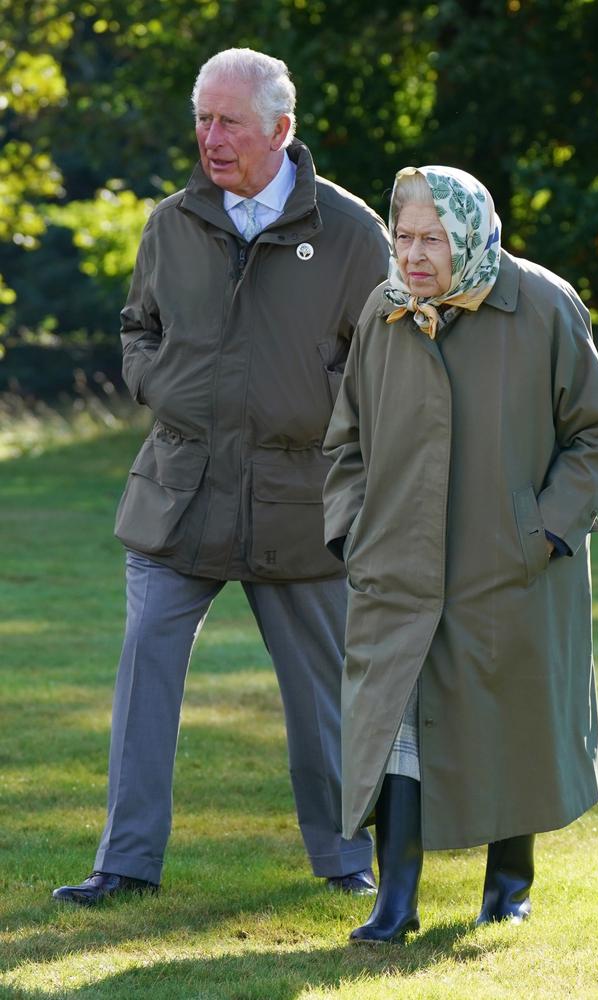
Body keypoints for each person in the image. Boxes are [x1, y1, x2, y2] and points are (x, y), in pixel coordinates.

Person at [52, 48, 390, 905]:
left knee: (324, 701)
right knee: (143, 682)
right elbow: (139, 326)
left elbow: (384, 366)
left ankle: (346, 861)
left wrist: (323, 407)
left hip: (299, 503)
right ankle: (124, 864)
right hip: (178, 495)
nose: (209, 137)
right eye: (201, 119)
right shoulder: (171, 222)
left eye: (227, 121)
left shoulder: (351, 234)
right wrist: (155, 382)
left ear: (281, 129)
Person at [322, 164, 598, 943]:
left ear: (469, 233)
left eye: (432, 238)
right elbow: (347, 438)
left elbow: (597, 436)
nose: (415, 255)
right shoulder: (385, 309)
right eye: (404, 236)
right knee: (394, 721)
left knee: (508, 719)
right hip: (396, 564)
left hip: (508, 566)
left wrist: (545, 532)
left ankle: (509, 885)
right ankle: (394, 900)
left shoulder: (544, 305)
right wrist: (352, 526)